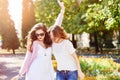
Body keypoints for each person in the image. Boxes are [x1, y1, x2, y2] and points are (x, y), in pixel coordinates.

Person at [16, 0, 65, 80]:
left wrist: (62, 11)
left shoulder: (49, 39)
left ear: (45, 33)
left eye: (41, 34)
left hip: (47, 71)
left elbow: (57, 25)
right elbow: (27, 58)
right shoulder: (34, 43)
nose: (39, 36)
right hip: (35, 72)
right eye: (37, 34)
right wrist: (20, 73)